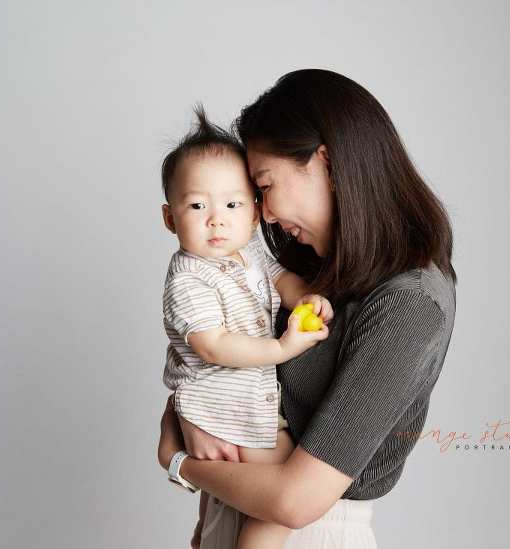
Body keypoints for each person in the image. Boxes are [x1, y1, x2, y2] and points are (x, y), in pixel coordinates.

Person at [158, 69, 458, 549]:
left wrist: (179, 462)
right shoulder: (326, 270)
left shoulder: (410, 302)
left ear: (327, 164)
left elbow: (297, 501)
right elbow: (228, 372)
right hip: (233, 511)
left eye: (265, 186)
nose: (266, 215)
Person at [160, 106, 335, 549]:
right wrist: (282, 348)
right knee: (282, 490)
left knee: (230, 501)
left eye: (232, 204)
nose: (216, 219)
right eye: (197, 205)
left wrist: (307, 298)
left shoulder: (250, 253)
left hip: (243, 403)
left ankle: (204, 536)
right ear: (169, 218)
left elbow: (282, 280)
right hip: (223, 408)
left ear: (255, 214)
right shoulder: (188, 277)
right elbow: (213, 346)